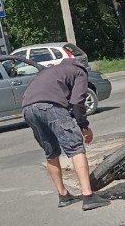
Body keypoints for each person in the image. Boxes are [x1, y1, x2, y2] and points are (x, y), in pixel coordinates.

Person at [21, 58, 110, 211]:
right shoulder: (79, 72)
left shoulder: (51, 71)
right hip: (50, 106)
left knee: (51, 152)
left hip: (27, 109)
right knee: (76, 147)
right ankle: (88, 196)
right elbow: (77, 102)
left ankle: (63, 195)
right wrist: (84, 126)